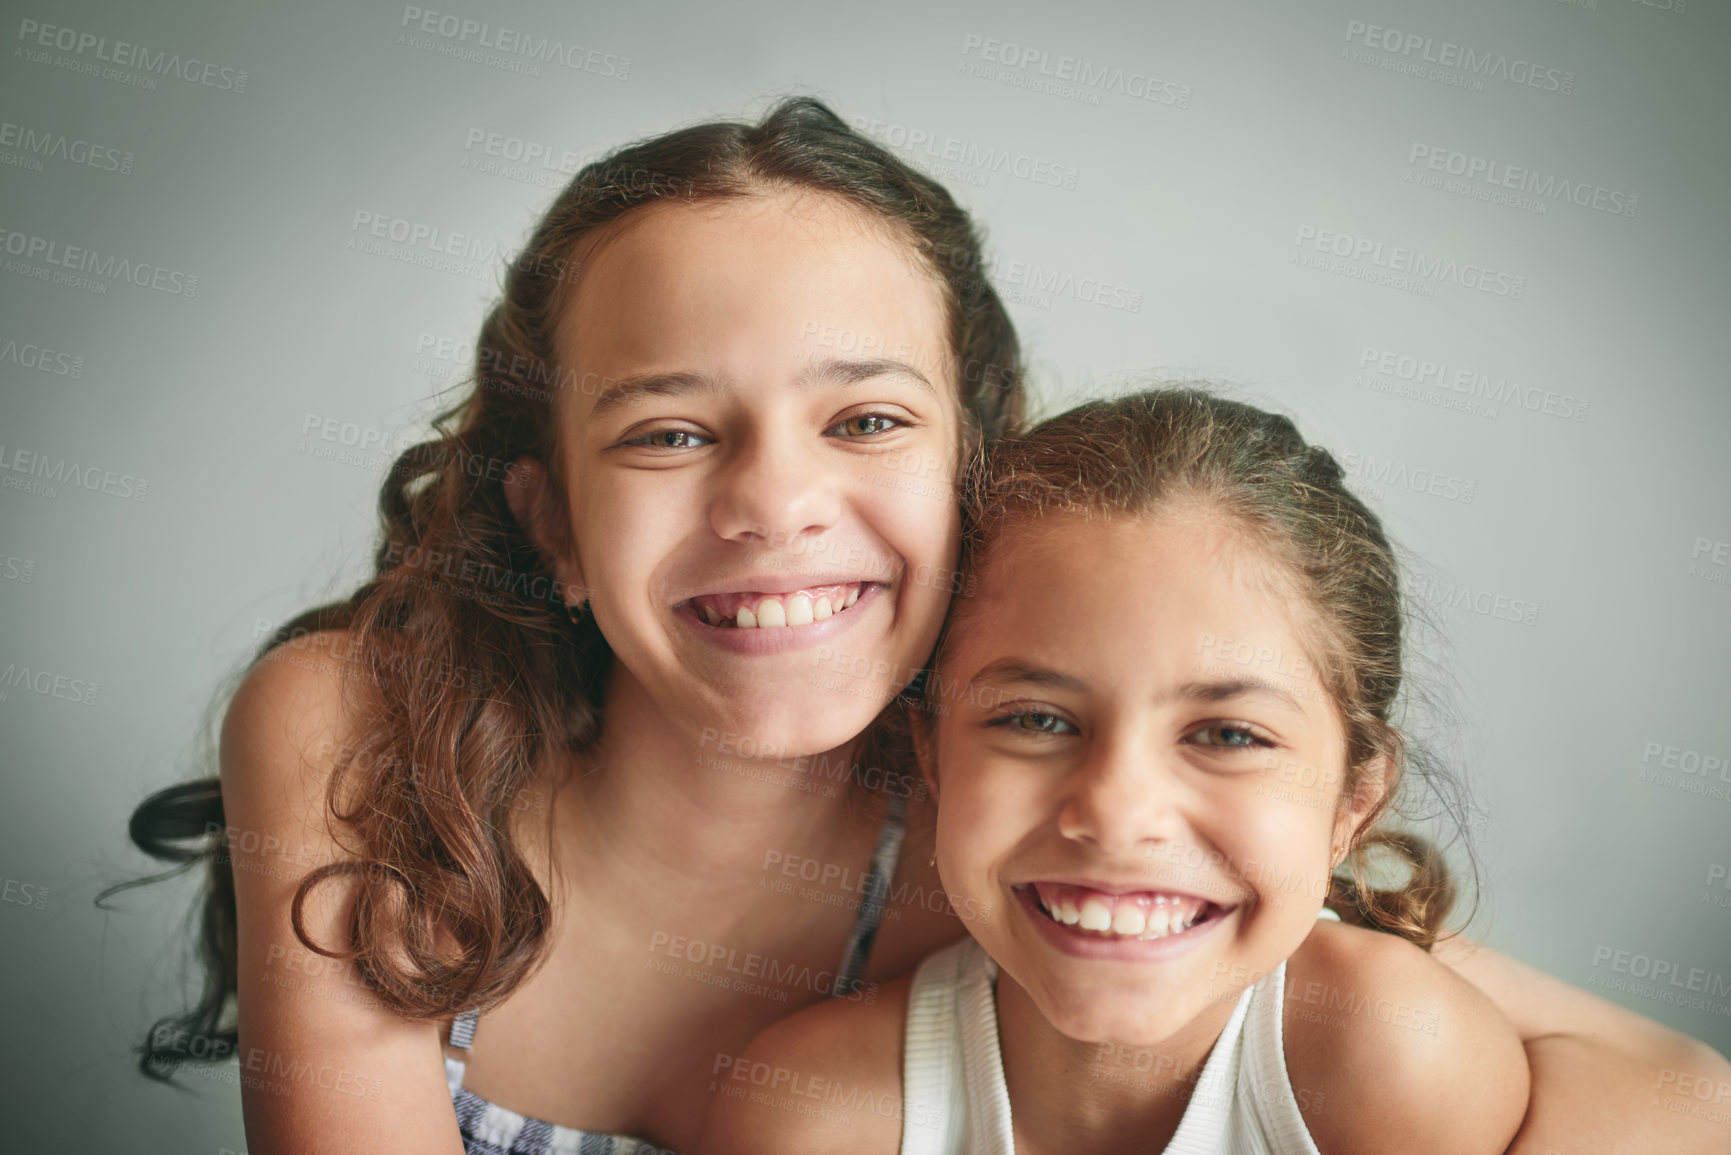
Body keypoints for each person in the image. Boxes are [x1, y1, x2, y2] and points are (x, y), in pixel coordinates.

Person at [116, 102, 1728, 1155]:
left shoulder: (1028, 811)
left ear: (973, 471)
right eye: (669, 433)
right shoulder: (359, 725)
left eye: (865, 420)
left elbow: (1670, 1088)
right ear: (548, 521)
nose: (774, 504)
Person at [699, 388, 1730, 1155]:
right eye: (1037, 718)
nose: (1116, 811)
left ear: (1354, 801)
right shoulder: (818, 1114)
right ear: (932, 756)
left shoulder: (1383, 1056)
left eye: (1229, 735)